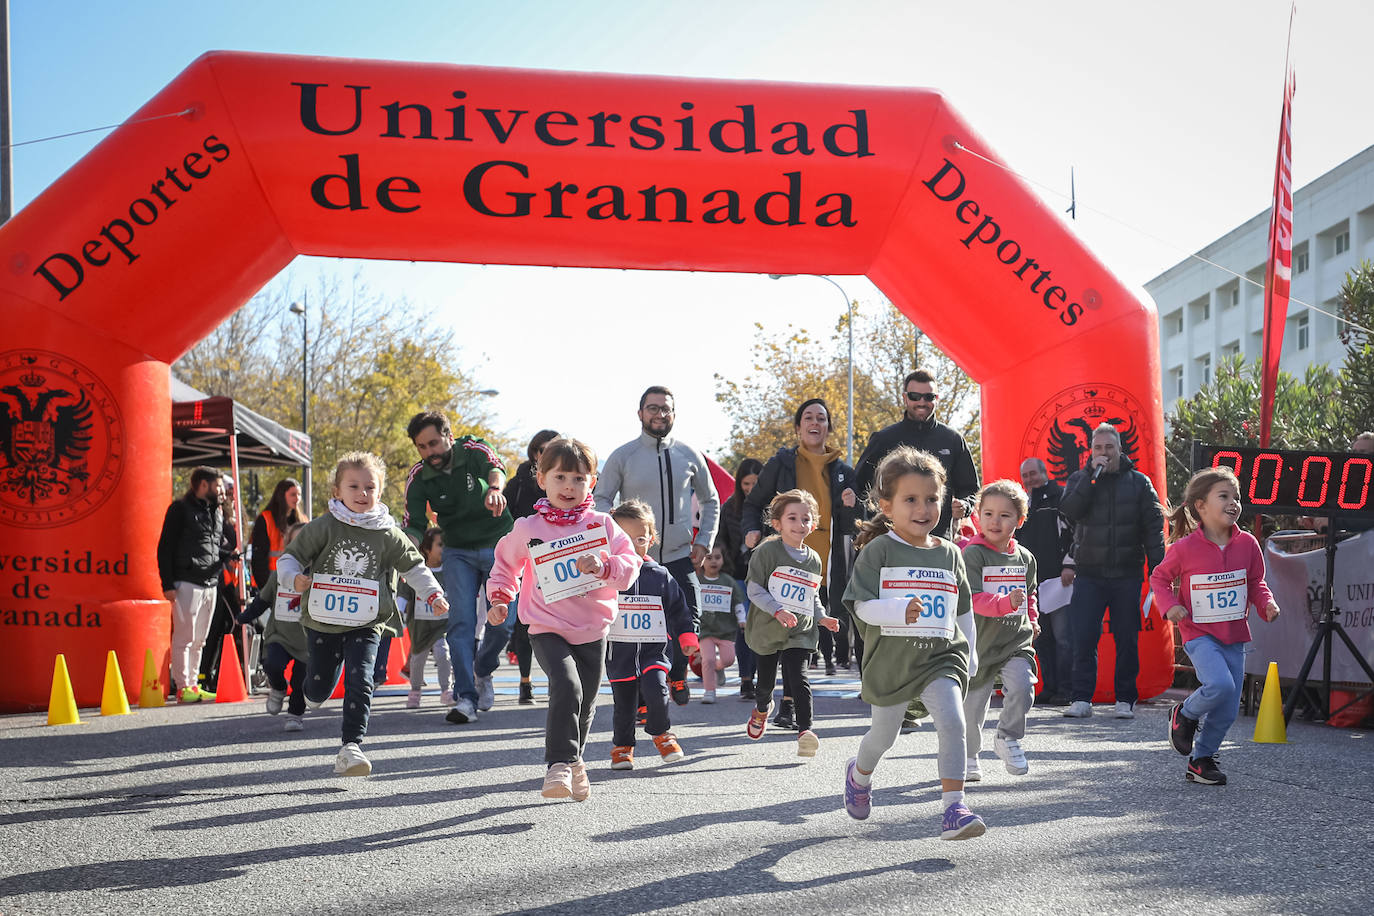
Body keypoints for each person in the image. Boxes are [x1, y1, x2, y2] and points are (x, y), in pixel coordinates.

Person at [840, 446, 985, 840]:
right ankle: (859, 774)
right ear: (886, 506)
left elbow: (963, 611)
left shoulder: (953, 554)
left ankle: (954, 808)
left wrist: (970, 653)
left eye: (932, 499)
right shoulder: (879, 550)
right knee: (883, 736)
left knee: (953, 722)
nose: (923, 509)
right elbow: (861, 605)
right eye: (910, 500)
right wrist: (896, 610)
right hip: (892, 661)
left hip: (941, 658)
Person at [486, 438, 642, 801]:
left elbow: (630, 565)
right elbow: (506, 565)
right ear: (541, 478)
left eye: (578, 478)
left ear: (593, 481)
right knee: (567, 686)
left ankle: (575, 763)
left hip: (592, 628)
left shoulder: (603, 525)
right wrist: (500, 598)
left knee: (586, 702)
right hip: (546, 625)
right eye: (559, 477)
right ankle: (558, 765)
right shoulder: (528, 528)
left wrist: (604, 566)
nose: (569, 487)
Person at [277, 452, 448, 776]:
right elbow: (290, 558)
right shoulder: (324, 526)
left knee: (361, 677)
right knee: (317, 686)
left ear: (380, 492)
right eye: (353, 486)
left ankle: (351, 746)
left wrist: (433, 593)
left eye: (370, 487)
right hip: (323, 621)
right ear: (337, 491)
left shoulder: (387, 532)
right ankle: (312, 692)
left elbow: (414, 567)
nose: (362, 494)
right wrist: (294, 578)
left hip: (368, 621)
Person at [1152, 466, 1281, 786]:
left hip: (1234, 637)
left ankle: (1201, 760)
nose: (1233, 503)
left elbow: (1255, 582)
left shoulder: (1248, 544)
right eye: (1223, 496)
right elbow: (1160, 579)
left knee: (1227, 709)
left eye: (1236, 496)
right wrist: (1170, 607)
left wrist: (1266, 603)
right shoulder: (1184, 548)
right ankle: (1184, 714)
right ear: (1201, 506)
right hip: (1200, 634)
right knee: (1220, 686)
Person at [594, 386, 720, 705]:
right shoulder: (623, 455)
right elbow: (602, 499)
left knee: (689, 616)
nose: (659, 414)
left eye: (665, 409)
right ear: (640, 414)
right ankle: (638, 695)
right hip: (634, 559)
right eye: (652, 408)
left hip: (679, 556)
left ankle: (676, 675)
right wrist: (612, 538)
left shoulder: (690, 455)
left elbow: (711, 499)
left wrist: (704, 541)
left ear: (674, 414)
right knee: (636, 630)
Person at [403, 410, 514, 725]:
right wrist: (404, 548)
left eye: (434, 443)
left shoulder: (473, 449)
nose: (430, 453)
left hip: (497, 544)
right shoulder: (419, 476)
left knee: (504, 622)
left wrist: (495, 490)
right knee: (461, 624)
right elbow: (413, 525)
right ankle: (466, 697)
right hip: (457, 552)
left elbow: (496, 468)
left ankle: (484, 669)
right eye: (422, 447)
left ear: (449, 437)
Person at [743, 398, 858, 684]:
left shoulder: (843, 471)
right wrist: (752, 530)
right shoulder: (780, 464)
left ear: (829, 428)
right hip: (785, 561)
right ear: (798, 428)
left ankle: (792, 701)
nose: (815, 423)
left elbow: (858, 520)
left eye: (821, 418)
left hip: (826, 562)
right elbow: (753, 504)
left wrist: (854, 505)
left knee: (806, 632)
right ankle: (781, 698)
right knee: (788, 632)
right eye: (808, 418)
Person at [1059, 423, 1166, 719]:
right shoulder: (1081, 479)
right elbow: (1069, 511)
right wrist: (1090, 481)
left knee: (1127, 638)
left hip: (1126, 574)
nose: (1103, 453)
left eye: (1109, 447)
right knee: (1084, 637)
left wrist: (1159, 571)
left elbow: (1153, 530)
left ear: (1120, 449)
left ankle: (1125, 699)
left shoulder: (1140, 483)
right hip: (1089, 574)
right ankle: (1081, 698)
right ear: (1091, 451)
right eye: (1098, 448)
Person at [743, 489, 840, 758]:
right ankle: (762, 709)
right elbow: (754, 590)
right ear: (777, 523)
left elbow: (812, 595)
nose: (800, 525)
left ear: (814, 523)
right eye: (793, 518)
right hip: (768, 627)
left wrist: (822, 617)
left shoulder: (814, 559)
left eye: (806, 519)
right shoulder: (766, 552)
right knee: (764, 685)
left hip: (800, 629)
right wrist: (777, 610)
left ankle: (806, 731)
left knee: (799, 677)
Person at [605, 499, 700, 770]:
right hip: (619, 653)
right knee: (623, 706)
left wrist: (687, 637)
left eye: (640, 539)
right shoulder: (607, 575)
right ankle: (622, 748)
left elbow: (680, 609)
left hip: (653, 651)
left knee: (657, 692)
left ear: (652, 539)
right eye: (623, 539)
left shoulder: (660, 575)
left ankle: (662, 734)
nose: (633, 546)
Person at [962, 480, 1039, 781]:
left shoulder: (1026, 558)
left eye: (1005, 515)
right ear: (977, 516)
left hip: (1015, 640)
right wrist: (1005, 603)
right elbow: (972, 598)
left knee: (1023, 687)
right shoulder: (973, 554)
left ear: (1019, 520)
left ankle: (1007, 736)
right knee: (972, 709)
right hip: (979, 643)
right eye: (988, 513)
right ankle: (968, 755)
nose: (995, 521)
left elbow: (1030, 593)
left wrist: (1032, 618)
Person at [855, 368, 980, 541]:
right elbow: (859, 486)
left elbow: (971, 489)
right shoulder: (884, 439)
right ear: (905, 398)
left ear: (936, 399)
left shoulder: (953, 440)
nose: (922, 402)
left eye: (928, 397)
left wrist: (965, 506)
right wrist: (872, 521)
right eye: (915, 396)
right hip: (892, 541)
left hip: (938, 540)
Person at [157, 466, 234, 703]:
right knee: (185, 637)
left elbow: (208, 546)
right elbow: (165, 547)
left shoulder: (217, 512)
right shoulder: (180, 510)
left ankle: (193, 683)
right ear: (203, 485)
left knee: (200, 638)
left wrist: (226, 555)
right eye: (218, 485)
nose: (222, 491)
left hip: (210, 583)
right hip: (186, 582)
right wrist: (167, 584)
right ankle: (182, 687)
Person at [235, 521, 310, 731]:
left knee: (300, 681)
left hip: (306, 641)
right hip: (280, 636)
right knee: (273, 665)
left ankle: (295, 715)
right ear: (289, 546)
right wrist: (243, 617)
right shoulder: (280, 575)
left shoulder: (319, 577)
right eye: (297, 542)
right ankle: (277, 687)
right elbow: (263, 600)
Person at [504, 430, 561, 704]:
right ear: (534, 453)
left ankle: (559, 680)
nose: (545, 454)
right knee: (524, 625)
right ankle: (525, 682)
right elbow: (505, 515)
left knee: (558, 621)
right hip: (527, 557)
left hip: (558, 557)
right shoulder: (520, 480)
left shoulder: (567, 477)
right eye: (540, 449)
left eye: (551, 448)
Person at [1018, 457, 1075, 705]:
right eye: (1026, 476)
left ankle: (1066, 689)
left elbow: (1074, 533)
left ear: (1045, 473)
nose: (1030, 480)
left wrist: (1069, 564)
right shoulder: (1022, 503)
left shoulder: (1061, 496)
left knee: (1064, 637)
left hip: (1059, 579)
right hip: (1033, 581)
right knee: (1042, 637)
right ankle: (1050, 687)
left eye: (1033, 474)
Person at [720, 458, 763, 699]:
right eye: (746, 483)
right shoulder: (730, 507)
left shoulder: (771, 507)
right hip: (736, 575)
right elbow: (722, 540)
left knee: (759, 628)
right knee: (743, 626)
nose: (750, 488)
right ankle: (746, 679)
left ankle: (758, 676)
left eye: (755, 483)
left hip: (764, 577)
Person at [400, 527, 454, 709]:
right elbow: (405, 592)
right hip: (420, 625)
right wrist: (399, 612)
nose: (443, 548)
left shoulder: (450, 572)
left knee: (443, 653)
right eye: (440, 545)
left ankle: (447, 690)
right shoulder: (418, 572)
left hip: (442, 625)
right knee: (417, 659)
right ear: (427, 549)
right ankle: (415, 691)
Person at [695, 542, 747, 703]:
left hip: (726, 629)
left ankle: (717, 668)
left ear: (723, 560)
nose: (713, 561)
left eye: (717, 557)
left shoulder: (728, 581)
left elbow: (738, 602)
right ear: (702, 560)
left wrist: (742, 619)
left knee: (728, 660)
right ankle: (709, 691)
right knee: (708, 659)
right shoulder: (696, 580)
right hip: (705, 630)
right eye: (709, 558)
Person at [249, 477, 308, 590]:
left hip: (297, 582)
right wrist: (265, 588)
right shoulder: (265, 519)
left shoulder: (304, 521)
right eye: (293, 494)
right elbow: (258, 559)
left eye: (299, 494)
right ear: (281, 495)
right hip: (272, 582)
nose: (297, 499)